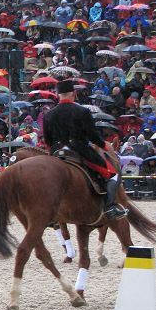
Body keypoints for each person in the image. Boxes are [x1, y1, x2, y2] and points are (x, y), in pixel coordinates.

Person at [43, 79, 127, 220]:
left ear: (58, 95)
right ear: (74, 94)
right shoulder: (82, 111)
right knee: (112, 175)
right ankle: (110, 208)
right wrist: (103, 145)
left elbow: (47, 140)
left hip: (56, 151)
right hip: (78, 149)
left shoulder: (48, 115)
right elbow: (92, 135)